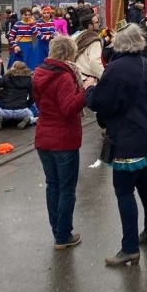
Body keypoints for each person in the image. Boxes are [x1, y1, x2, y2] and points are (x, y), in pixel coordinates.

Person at [84, 24, 147, 266]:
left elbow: (102, 103)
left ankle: (129, 248)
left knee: (124, 191)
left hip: (129, 138)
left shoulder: (117, 69)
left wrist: (89, 89)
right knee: (144, 182)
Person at [32, 36, 94, 250]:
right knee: (67, 188)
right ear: (70, 54)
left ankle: (57, 230)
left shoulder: (40, 72)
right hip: (64, 138)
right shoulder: (65, 77)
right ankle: (63, 235)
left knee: (52, 186)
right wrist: (86, 90)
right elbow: (68, 108)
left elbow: (41, 103)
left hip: (44, 136)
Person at [74, 14, 106, 80]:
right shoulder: (95, 41)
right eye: (96, 22)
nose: (99, 24)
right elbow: (94, 62)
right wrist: (105, 78)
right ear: (90, 26)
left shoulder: (78, 36)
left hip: (77, 76)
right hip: (88, 80)